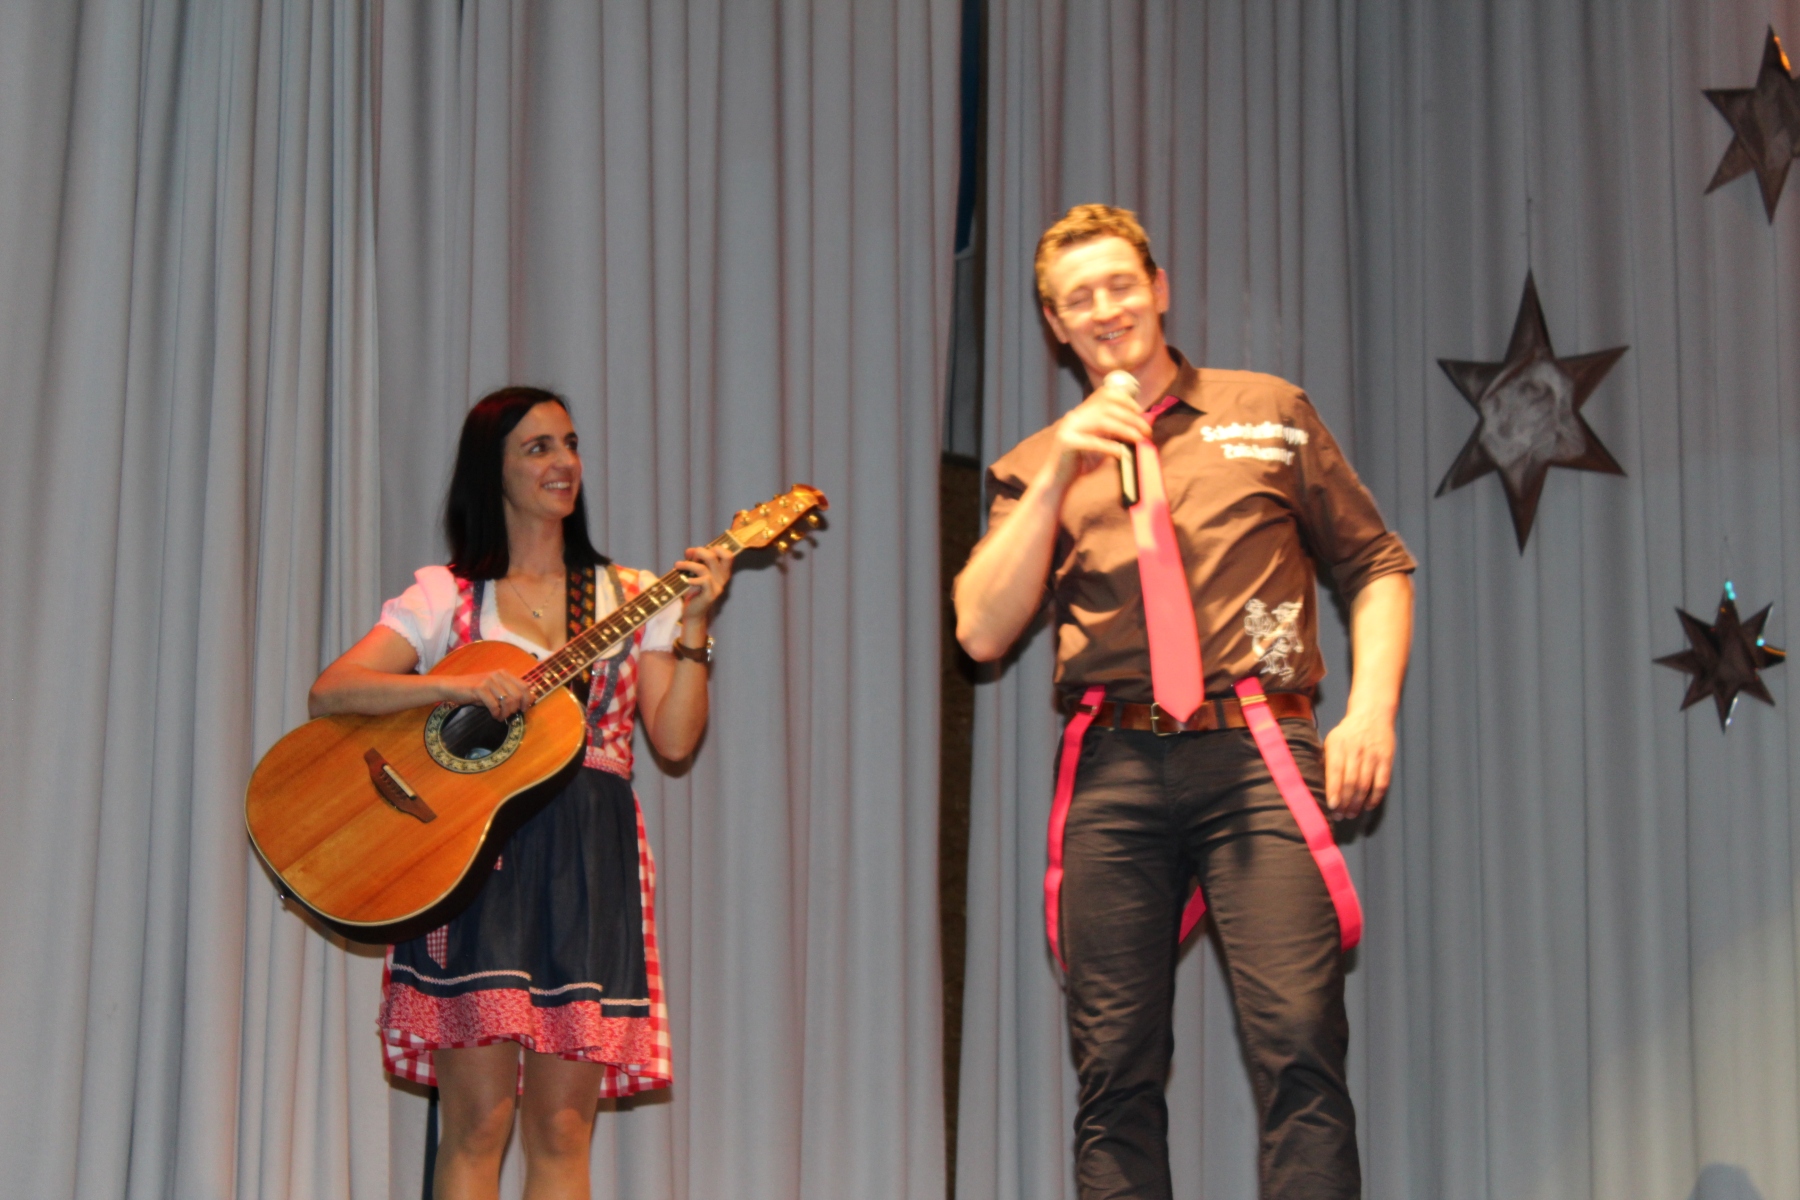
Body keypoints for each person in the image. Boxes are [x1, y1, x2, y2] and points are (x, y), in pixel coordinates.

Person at [955, 205, 1415, 1199]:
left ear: (1158, 289)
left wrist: (1371, 709)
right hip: (1114, 769)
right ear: (1054, 325)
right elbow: (981, 631)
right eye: (1079, 298)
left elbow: (1378, 564)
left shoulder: (1268, 411)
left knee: (1300, 1044)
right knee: (1114, 1068)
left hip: (1257, 752)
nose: (1106, 309)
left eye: (1121, 284)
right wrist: (1061, 469)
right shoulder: (1035, 464)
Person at [308, 386, 730, 1200]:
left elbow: (675, 740)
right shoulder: (448, 595)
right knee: (477, 1123)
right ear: (491, 470)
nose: (564, 462)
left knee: (563, 1132)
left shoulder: (629, 593)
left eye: (569, 444)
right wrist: (451, 687)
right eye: (538, 448)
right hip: (475, 860)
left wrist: (696, 627)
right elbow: (334, 691)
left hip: (590, 864)